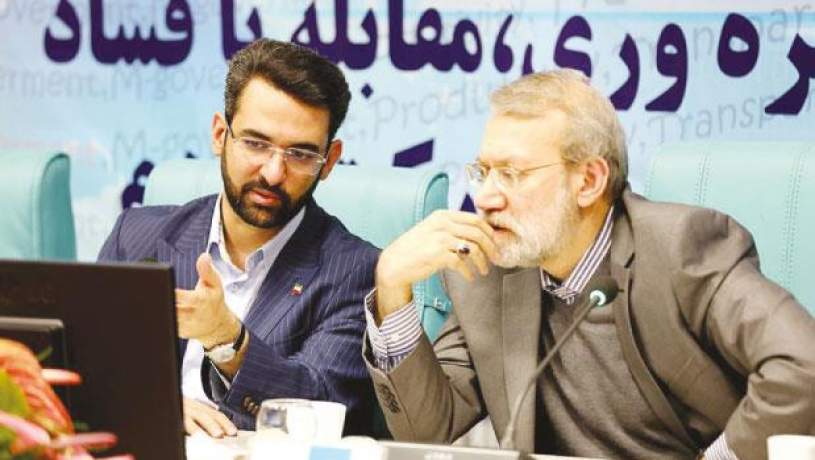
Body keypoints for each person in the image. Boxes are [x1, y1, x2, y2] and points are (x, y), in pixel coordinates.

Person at [364, 69, 815, 460]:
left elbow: (803, 364)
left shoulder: (681, 247)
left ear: (589, 181)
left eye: (512, 174)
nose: (485, 198)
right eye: (483, 173)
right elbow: (430, 432)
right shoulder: (485, 273)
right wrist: (392, 288)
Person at [98, 39, 379, 437]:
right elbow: (83, 368)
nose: (273, 173)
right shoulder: (136, 237)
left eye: (300, 154)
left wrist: (228, 340)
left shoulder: (354, 270)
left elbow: (321, 408)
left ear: (329, 161)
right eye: (256, 143)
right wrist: (156, 406)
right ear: (219, 135)